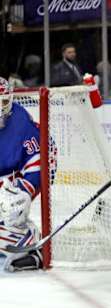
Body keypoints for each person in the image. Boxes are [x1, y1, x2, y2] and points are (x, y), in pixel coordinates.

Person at [0, 77, 43, 272]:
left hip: (12, 183)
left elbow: (37, 158)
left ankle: (30, 241)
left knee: (9, 209)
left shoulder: (20, 120)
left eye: (2, 102)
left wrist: (25, 189)